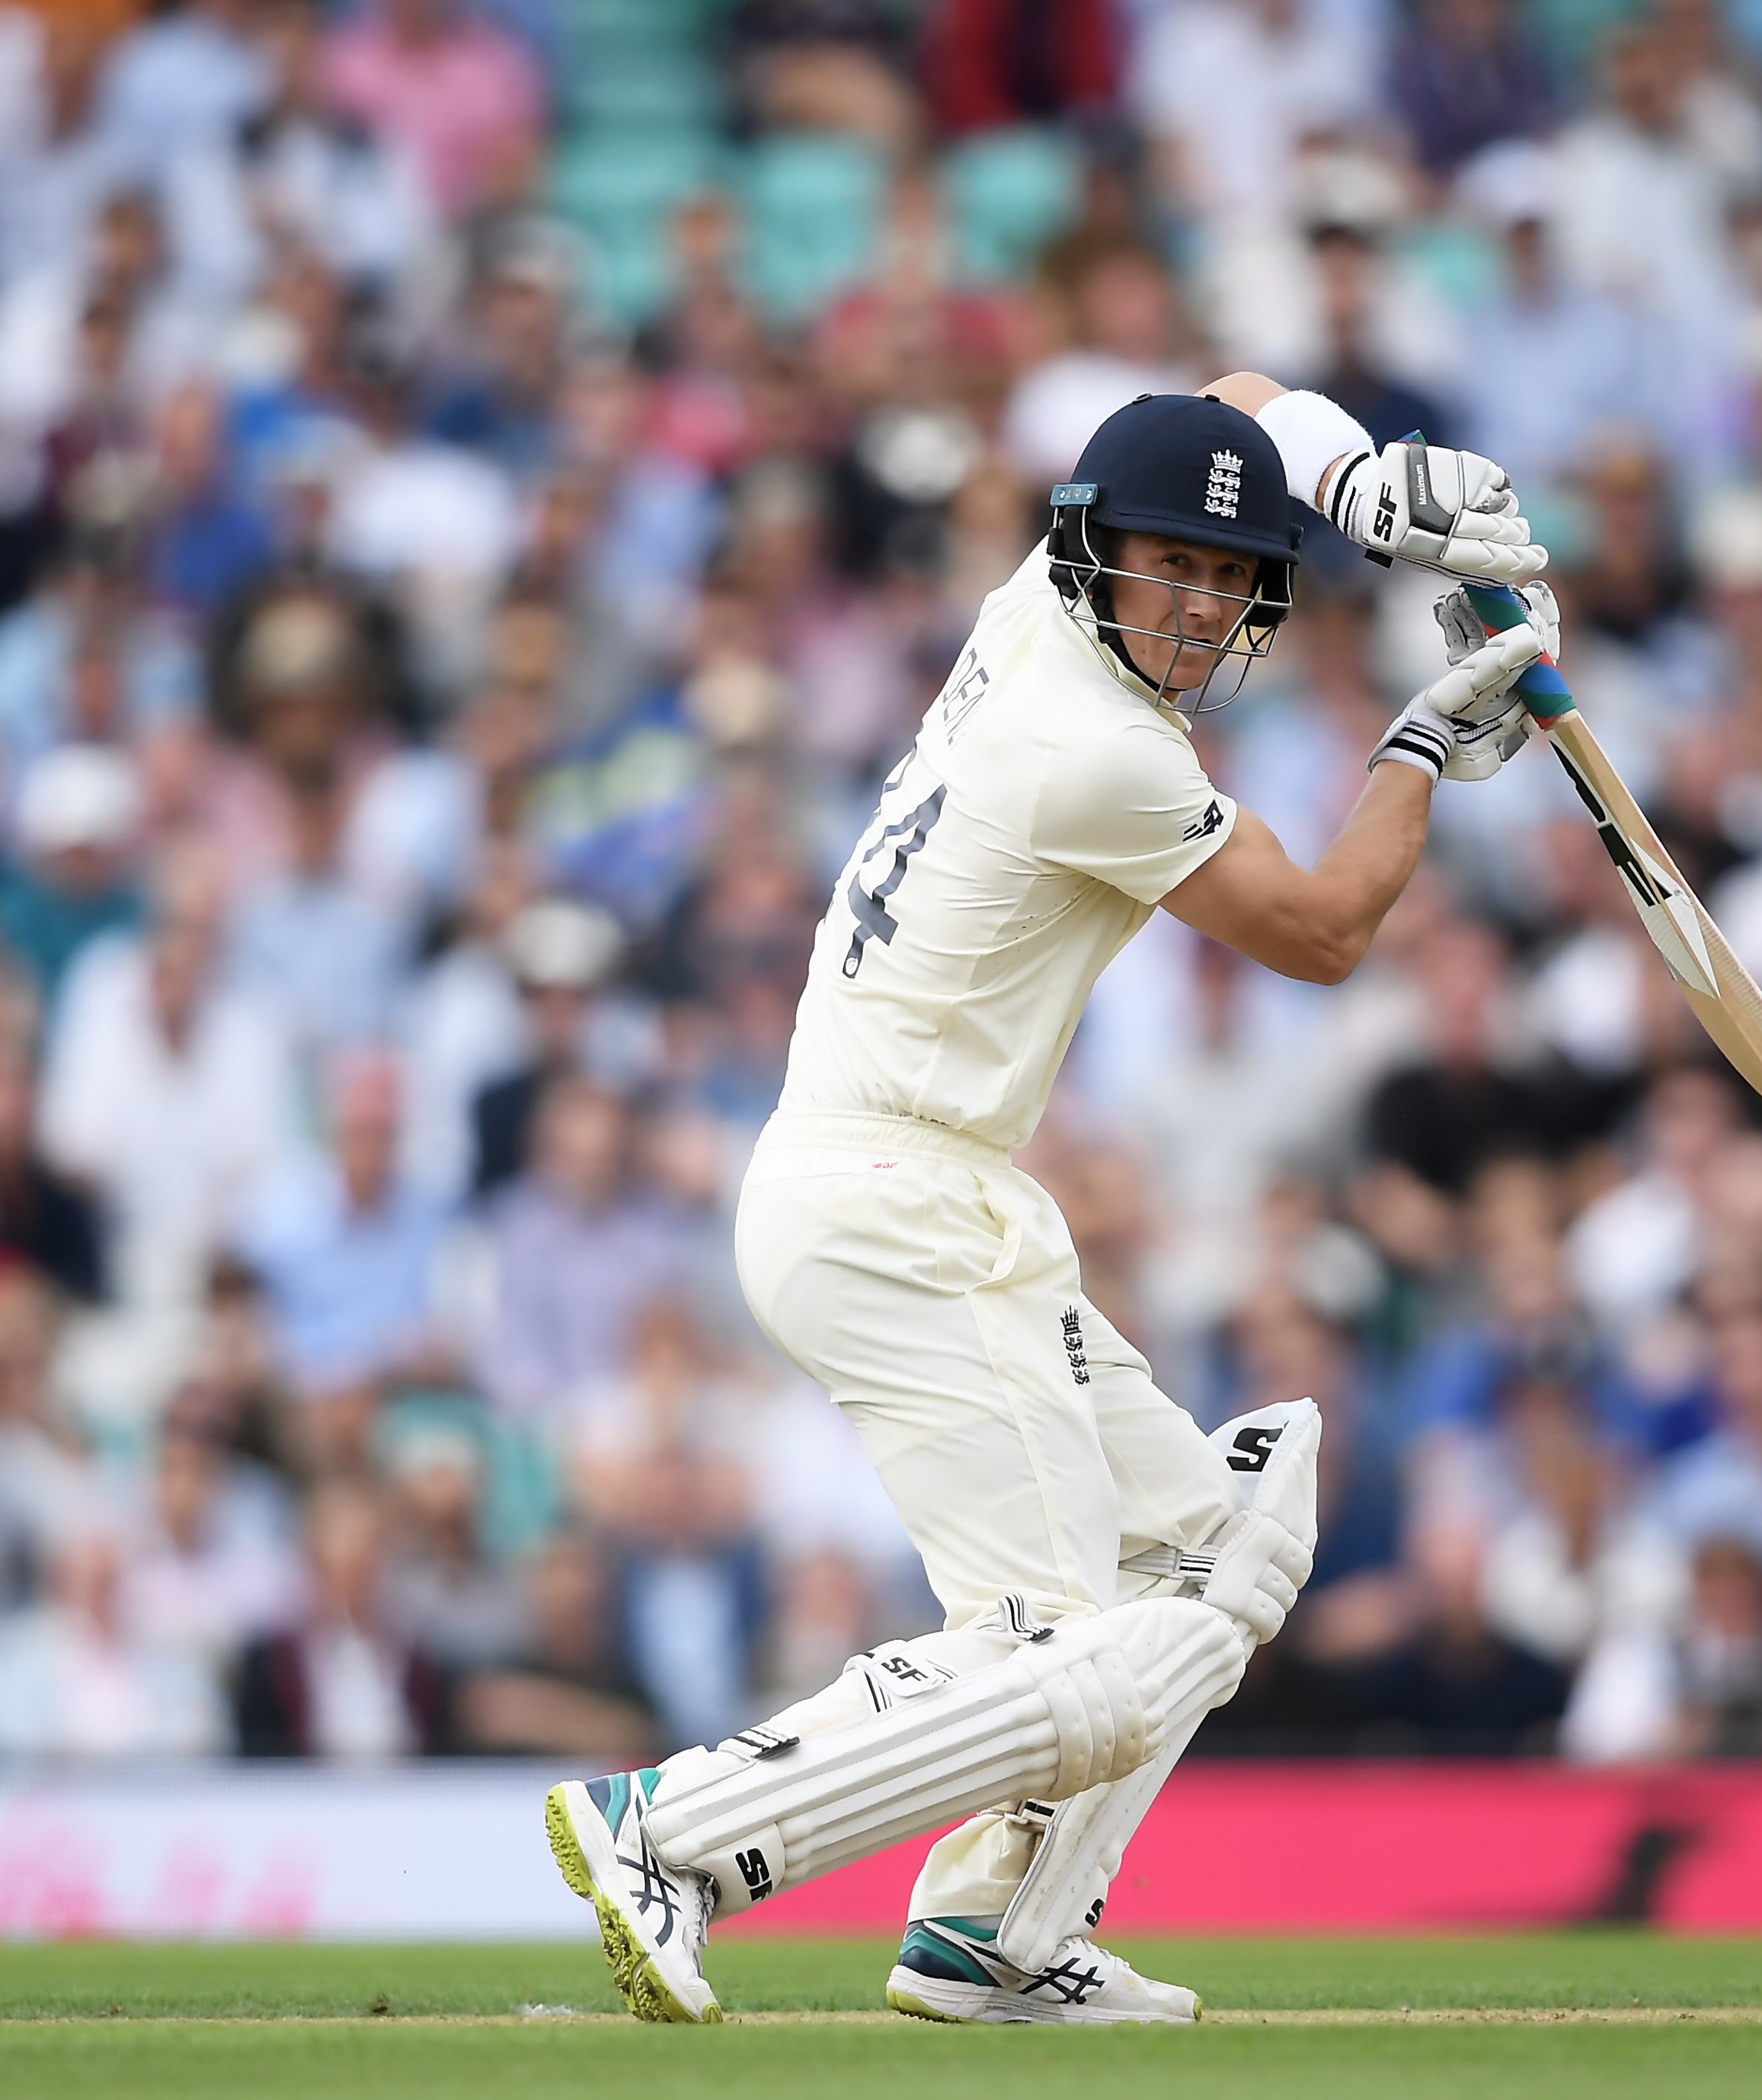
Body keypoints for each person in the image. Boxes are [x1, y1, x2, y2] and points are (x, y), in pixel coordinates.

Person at [544, 383, 1547, 2024]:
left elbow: (1213, 405)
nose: (1203, 604)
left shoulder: (1028, 612)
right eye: (1173, 566)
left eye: (1233, 575)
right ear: (1097, 554)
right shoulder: (1087, 747)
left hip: (926, 1189)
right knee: (1051, 1645)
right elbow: (1319, 930)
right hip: (887, 1194)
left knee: (1216, 1540)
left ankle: (997, 1932)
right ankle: (667, 1830)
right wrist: (1425, 740)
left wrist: (1357, 472)